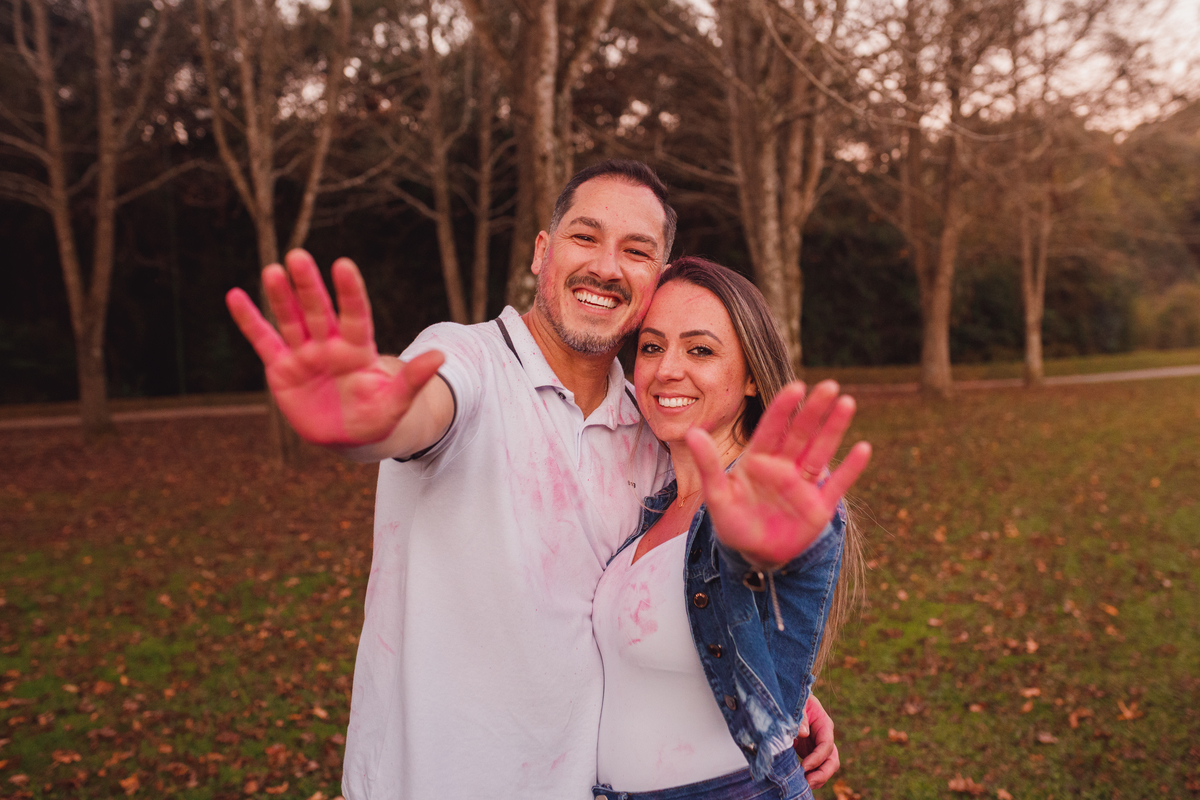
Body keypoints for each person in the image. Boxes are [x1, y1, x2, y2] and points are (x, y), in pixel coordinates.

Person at [225, 160, 842, 800]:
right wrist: (367, 423)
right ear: (542, 254)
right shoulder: (468, 362)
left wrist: (766, 680)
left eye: (635, 250)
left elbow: (676, 590)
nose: (606, 266)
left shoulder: (652, 429)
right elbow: (420, 408)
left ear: (655, 280)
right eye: (585, 236)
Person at [591, 257, 870, 800]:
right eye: (651, 346)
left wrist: (764, 554)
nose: (667, 368)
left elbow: (781, 565)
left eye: (700, 349)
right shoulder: (656, 503)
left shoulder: (770, 503)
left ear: (749, 377)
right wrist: (797, 694)